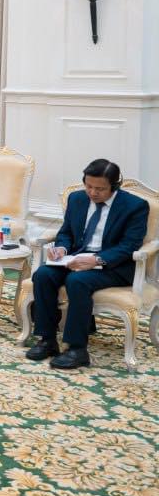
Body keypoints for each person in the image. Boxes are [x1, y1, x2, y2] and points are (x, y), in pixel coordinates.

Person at [27, 159, 149, 370]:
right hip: (76, 258)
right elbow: (66, 233)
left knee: (78, 281)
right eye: (89, 186)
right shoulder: (77, 199)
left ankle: (77, 349)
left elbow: (129, 245)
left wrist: (97, 259)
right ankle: (47, 340)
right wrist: (62, 249)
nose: (93, 193)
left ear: (114, 186)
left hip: (113, 266)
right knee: (43, 275)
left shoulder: (135, 206)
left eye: (100, 189)